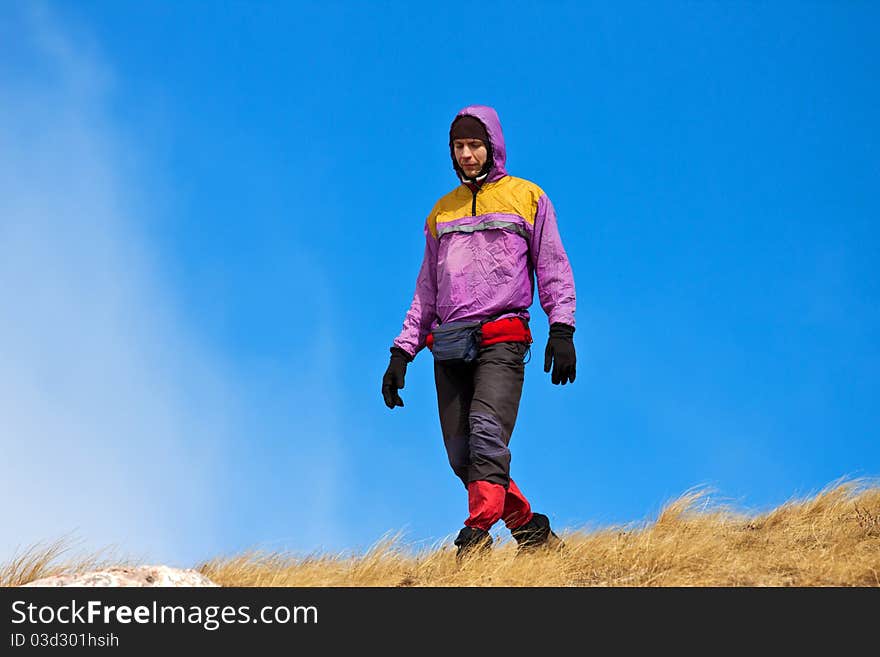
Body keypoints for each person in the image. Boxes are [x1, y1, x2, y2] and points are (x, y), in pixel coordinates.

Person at [381, 104, 577, 560]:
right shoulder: (440, 213)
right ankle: (531, 531)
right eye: (459, 146)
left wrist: (561, 327)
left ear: (493, 147)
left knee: (487, 434)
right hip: (448, 344)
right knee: (462, 454)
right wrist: (401, 352)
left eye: (475, 144)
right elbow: (426, 291)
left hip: (503, 338)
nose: (467, 154)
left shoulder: (528, 198)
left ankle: (476, 532)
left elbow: (552, 268)